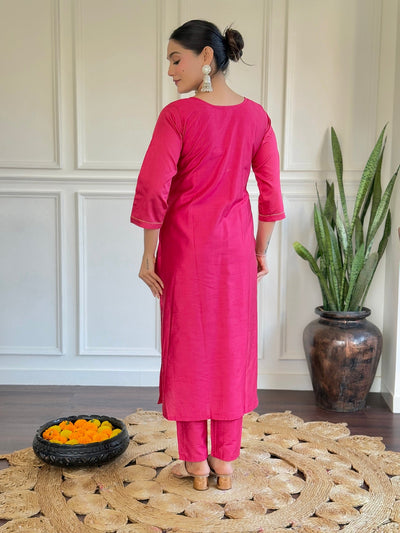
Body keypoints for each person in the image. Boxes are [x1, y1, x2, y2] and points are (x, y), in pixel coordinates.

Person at [130, 19, 285, 491]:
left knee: (190, 348)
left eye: (176, 59)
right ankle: (225, 462)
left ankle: (196, 463)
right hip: (235, 251)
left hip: (185, 249)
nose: (170, 71)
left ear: (206, 57)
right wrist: (259, 251)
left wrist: (148, 254)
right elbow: (271, 194)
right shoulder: (256, 117)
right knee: (231, 348)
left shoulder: (177, 116)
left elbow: (154, 188)